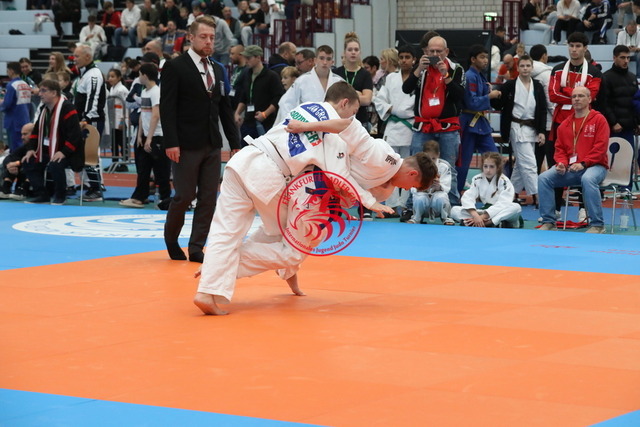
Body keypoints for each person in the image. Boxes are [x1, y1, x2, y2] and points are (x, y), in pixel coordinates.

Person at [194, 83, 437, 315]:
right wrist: (368, 201)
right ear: (344, 104)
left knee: (226, 232)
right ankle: (220, 271)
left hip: (244, 160)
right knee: (287, 245)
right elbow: (341, 170)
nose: (353, 119)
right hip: (271, 175)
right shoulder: (337, 138)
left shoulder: (306, 108)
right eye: (353, 112)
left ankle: (210, 284)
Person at [160, 16, 241, 263]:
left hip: (212, 143)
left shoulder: (218, 68)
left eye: (212, 38)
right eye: (203, 37)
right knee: (184, 196)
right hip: (184, 144)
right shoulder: (175, 67)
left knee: (208, 199)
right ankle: (171, 239)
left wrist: (235, 143)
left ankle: (196, 247)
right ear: (191, 37)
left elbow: (224, 108)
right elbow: (167, 108)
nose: (208, 42)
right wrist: (171, 142)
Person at [402, 35, 465, 211]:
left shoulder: (456, 69)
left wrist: (446, 76)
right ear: (426, 51)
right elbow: (406, 89)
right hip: (423, 126)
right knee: (415, 166)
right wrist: (418, 70)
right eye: (432, 51)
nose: (435, 55)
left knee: (449, 167)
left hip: (448, 126)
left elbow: (459, 96)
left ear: (446, 51)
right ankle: (412, 206)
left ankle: (452, 207)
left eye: (439, 51)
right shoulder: (421, 68)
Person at [538, 86, 609, 233]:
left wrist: (584, 163)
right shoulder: (564, 124)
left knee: (588, 179)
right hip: (572, 168)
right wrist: (561, 164)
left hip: (596, 166)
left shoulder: (599, 120)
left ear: (589, 99)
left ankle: (597, 224)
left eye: (581, 96)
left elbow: (600, 148)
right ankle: (549, 221)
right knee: (544, 178)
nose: (576, 99)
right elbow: (559, 149)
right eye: (574, 96)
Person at [548, 32, 603, 219]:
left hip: (584, 123)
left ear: (585, 48)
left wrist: (565, 90)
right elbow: (553, 95)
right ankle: (555, 209)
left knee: (582, 165)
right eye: (571, 45)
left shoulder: (594, 72)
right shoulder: (557, 69)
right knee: (558, 165)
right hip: (560, 123)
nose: (574, 49)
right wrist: (578, 95)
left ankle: (583, 209)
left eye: (578, 46)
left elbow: (591, 96)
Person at [20, 80, 84, 205]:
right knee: (28, 161)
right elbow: (36, 132)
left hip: (70, 152)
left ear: (54, 93)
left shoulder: (67, 108)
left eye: (44, 91)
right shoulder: (44, 109)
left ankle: (61, 195)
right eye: (40, 91)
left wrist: (64, 152)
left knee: (56, 163)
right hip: (48, 149)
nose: (40, 94)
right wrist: (31, 149)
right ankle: (42, 195)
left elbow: (75, 135)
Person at [497, 55, 547, 204]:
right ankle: (538, 196)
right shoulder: (509, 85)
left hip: (532, 128)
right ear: (518, 68)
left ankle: (510, 194)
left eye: (528, 66)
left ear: (532, 67)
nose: (525, 69)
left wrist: (542, 131)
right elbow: (498, 104)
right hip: (516, 127)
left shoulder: (537, 86)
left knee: (520, 165)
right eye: (522, 66)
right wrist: (493, 95)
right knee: (530, 163)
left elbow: (542, 110)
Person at [373, 45, 416, 213]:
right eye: (401, 57)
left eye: (407, 57)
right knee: (390, 166)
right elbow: (379, 99)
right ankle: (390, 203)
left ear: (414, 60)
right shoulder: (391, 78)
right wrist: (392, 109)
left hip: (410, 126)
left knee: (408, 167)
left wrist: (404, 111)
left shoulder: (418, 78)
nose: (404, 60)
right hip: (392, 126)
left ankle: (404, 204)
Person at [120, 64, 170, 208]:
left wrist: (149, 138)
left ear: (145, 76)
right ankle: (139, 197)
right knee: (143, 168)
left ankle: (165, 199)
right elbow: (143, 114)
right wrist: (140, 135)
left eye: (140, 74)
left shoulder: (156, 92)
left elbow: (155, 115)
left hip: (157, 136)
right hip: (146, 136)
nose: (138, 77)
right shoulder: (145, 91)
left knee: (161, 170)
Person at [457, 44, 501, 194]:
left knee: (494, 157)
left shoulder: (479, 76)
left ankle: (495, 192)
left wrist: (488, 91)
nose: (485, 60)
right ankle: (456, 194)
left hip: (480, 123)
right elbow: (472, 102)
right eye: (482, 57)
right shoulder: (470, 76)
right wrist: (490, 96)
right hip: (469, 122)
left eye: (486, 57)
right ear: (473, 59)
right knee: (463, 161)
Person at [72, 43, 107, 202]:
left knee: (90, 154)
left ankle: (96, 188)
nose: (74, 59)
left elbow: (93, 99)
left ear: (87, 56)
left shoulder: (94, 74)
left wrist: (86, 118)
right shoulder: (85, 74)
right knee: (84, 153)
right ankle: (91, 185)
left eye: (77, 56)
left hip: (91, 121)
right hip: (84, 120)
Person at [451, 152, 521, 228]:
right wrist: (475, 216)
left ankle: (487, 223)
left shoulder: (504, 181)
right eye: (485, 166)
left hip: (500, 211)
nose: (488, 170)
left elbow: (504, 203)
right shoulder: (477, 179)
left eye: (491, 167)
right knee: (454, 210)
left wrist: (482, 217)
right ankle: (488, 222)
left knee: (516, 207)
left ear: (498, 167)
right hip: (484, 211)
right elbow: (468, 197)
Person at [275, 45, 343, 123]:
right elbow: (285, 103)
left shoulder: (339, 82)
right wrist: (291, 121)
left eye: (328, 59)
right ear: (315, 60)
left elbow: (347, 106)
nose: (325, 62)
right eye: (321, 58)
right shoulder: (302, 81)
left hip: (331, 125)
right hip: (306, 126)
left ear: (332, 62)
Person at [234, 45, 285, 140]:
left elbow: (277, 98)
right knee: (245, 147)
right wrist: (237, 113)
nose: (246, 61)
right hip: (248, 121)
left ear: (258, 57)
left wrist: (265, 114)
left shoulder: (271, 76)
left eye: (249, 58)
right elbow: (244, 96)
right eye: (245, 58)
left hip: (265, 122)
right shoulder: (247, 74)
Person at [602, 45, 638, 169]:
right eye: (622, 57)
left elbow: (636, 102)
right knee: (612, 162)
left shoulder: (632, 77)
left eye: (628, 58)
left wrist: (638, 122)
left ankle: (628, 183)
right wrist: (614, 122)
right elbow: (604, 103)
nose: (626, 61)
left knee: (628, 160)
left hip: (629, 127)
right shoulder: (606, 77)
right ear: (614, 58)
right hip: (613, 128)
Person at [408, 140, 454, 225]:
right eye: (428, 159)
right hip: (423, 199)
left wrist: (439, 186)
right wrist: (422, 187)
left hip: (437, 202)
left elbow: (447, 186)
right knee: (419, 198)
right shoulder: (417, 166)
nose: (431, 162)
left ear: (438, 154)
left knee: (442, 197)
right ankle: (416, 218)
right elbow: (413, 187)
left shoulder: (444, 166)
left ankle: (446, 217)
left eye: (433, 158)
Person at [334, 32, 373, 127]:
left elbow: (367, 100)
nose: (353, 52)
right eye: (350, 50)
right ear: (344, 52)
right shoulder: (335, 73)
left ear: (360, 53)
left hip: (360, 121)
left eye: (356, 50)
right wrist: (357, 94)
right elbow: (333, 98)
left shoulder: (365, 74)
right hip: (339, 120)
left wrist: (343, 96)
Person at [529, 44, 554, 173]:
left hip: (529, 121)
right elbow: (550, 99)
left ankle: (532, 183)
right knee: (550, 158)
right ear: (544, 56)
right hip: (547, 123)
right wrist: (557, 115)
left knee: (533, 160)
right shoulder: (547, 74)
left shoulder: (525, 72)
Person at [0, 62, 32, 152]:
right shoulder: (25, 84)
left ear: (11, 71)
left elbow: (7, 104)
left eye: (7, 70)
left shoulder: (11, 85)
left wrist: (1, 103)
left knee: (14, 149)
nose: (7, 73)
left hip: (13, 121)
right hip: (25, 119)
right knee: (23, 146)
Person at [105, 68, 130, 169]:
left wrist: (123, 120)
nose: (110, 79)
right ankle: (114, 163)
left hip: (121, 119)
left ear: (119, 78)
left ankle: (124, 164)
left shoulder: (122, 90)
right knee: (114, 143)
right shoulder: (112, 88)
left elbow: (127, 106)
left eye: (113, 76)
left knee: (122, 142)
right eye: (109, 76)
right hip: (113, 119)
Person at [0, 123, 33, 200]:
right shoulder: (24, 147)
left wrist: (18, 163)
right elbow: (10, 157)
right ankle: (6, 187)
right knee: (11, 164)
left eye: (25, 134)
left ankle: (24, 188)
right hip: (21, 172)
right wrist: (9, 165)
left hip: (34, 174)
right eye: (22, 134)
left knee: (32, 165)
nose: (22, 137)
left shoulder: (43, 146)